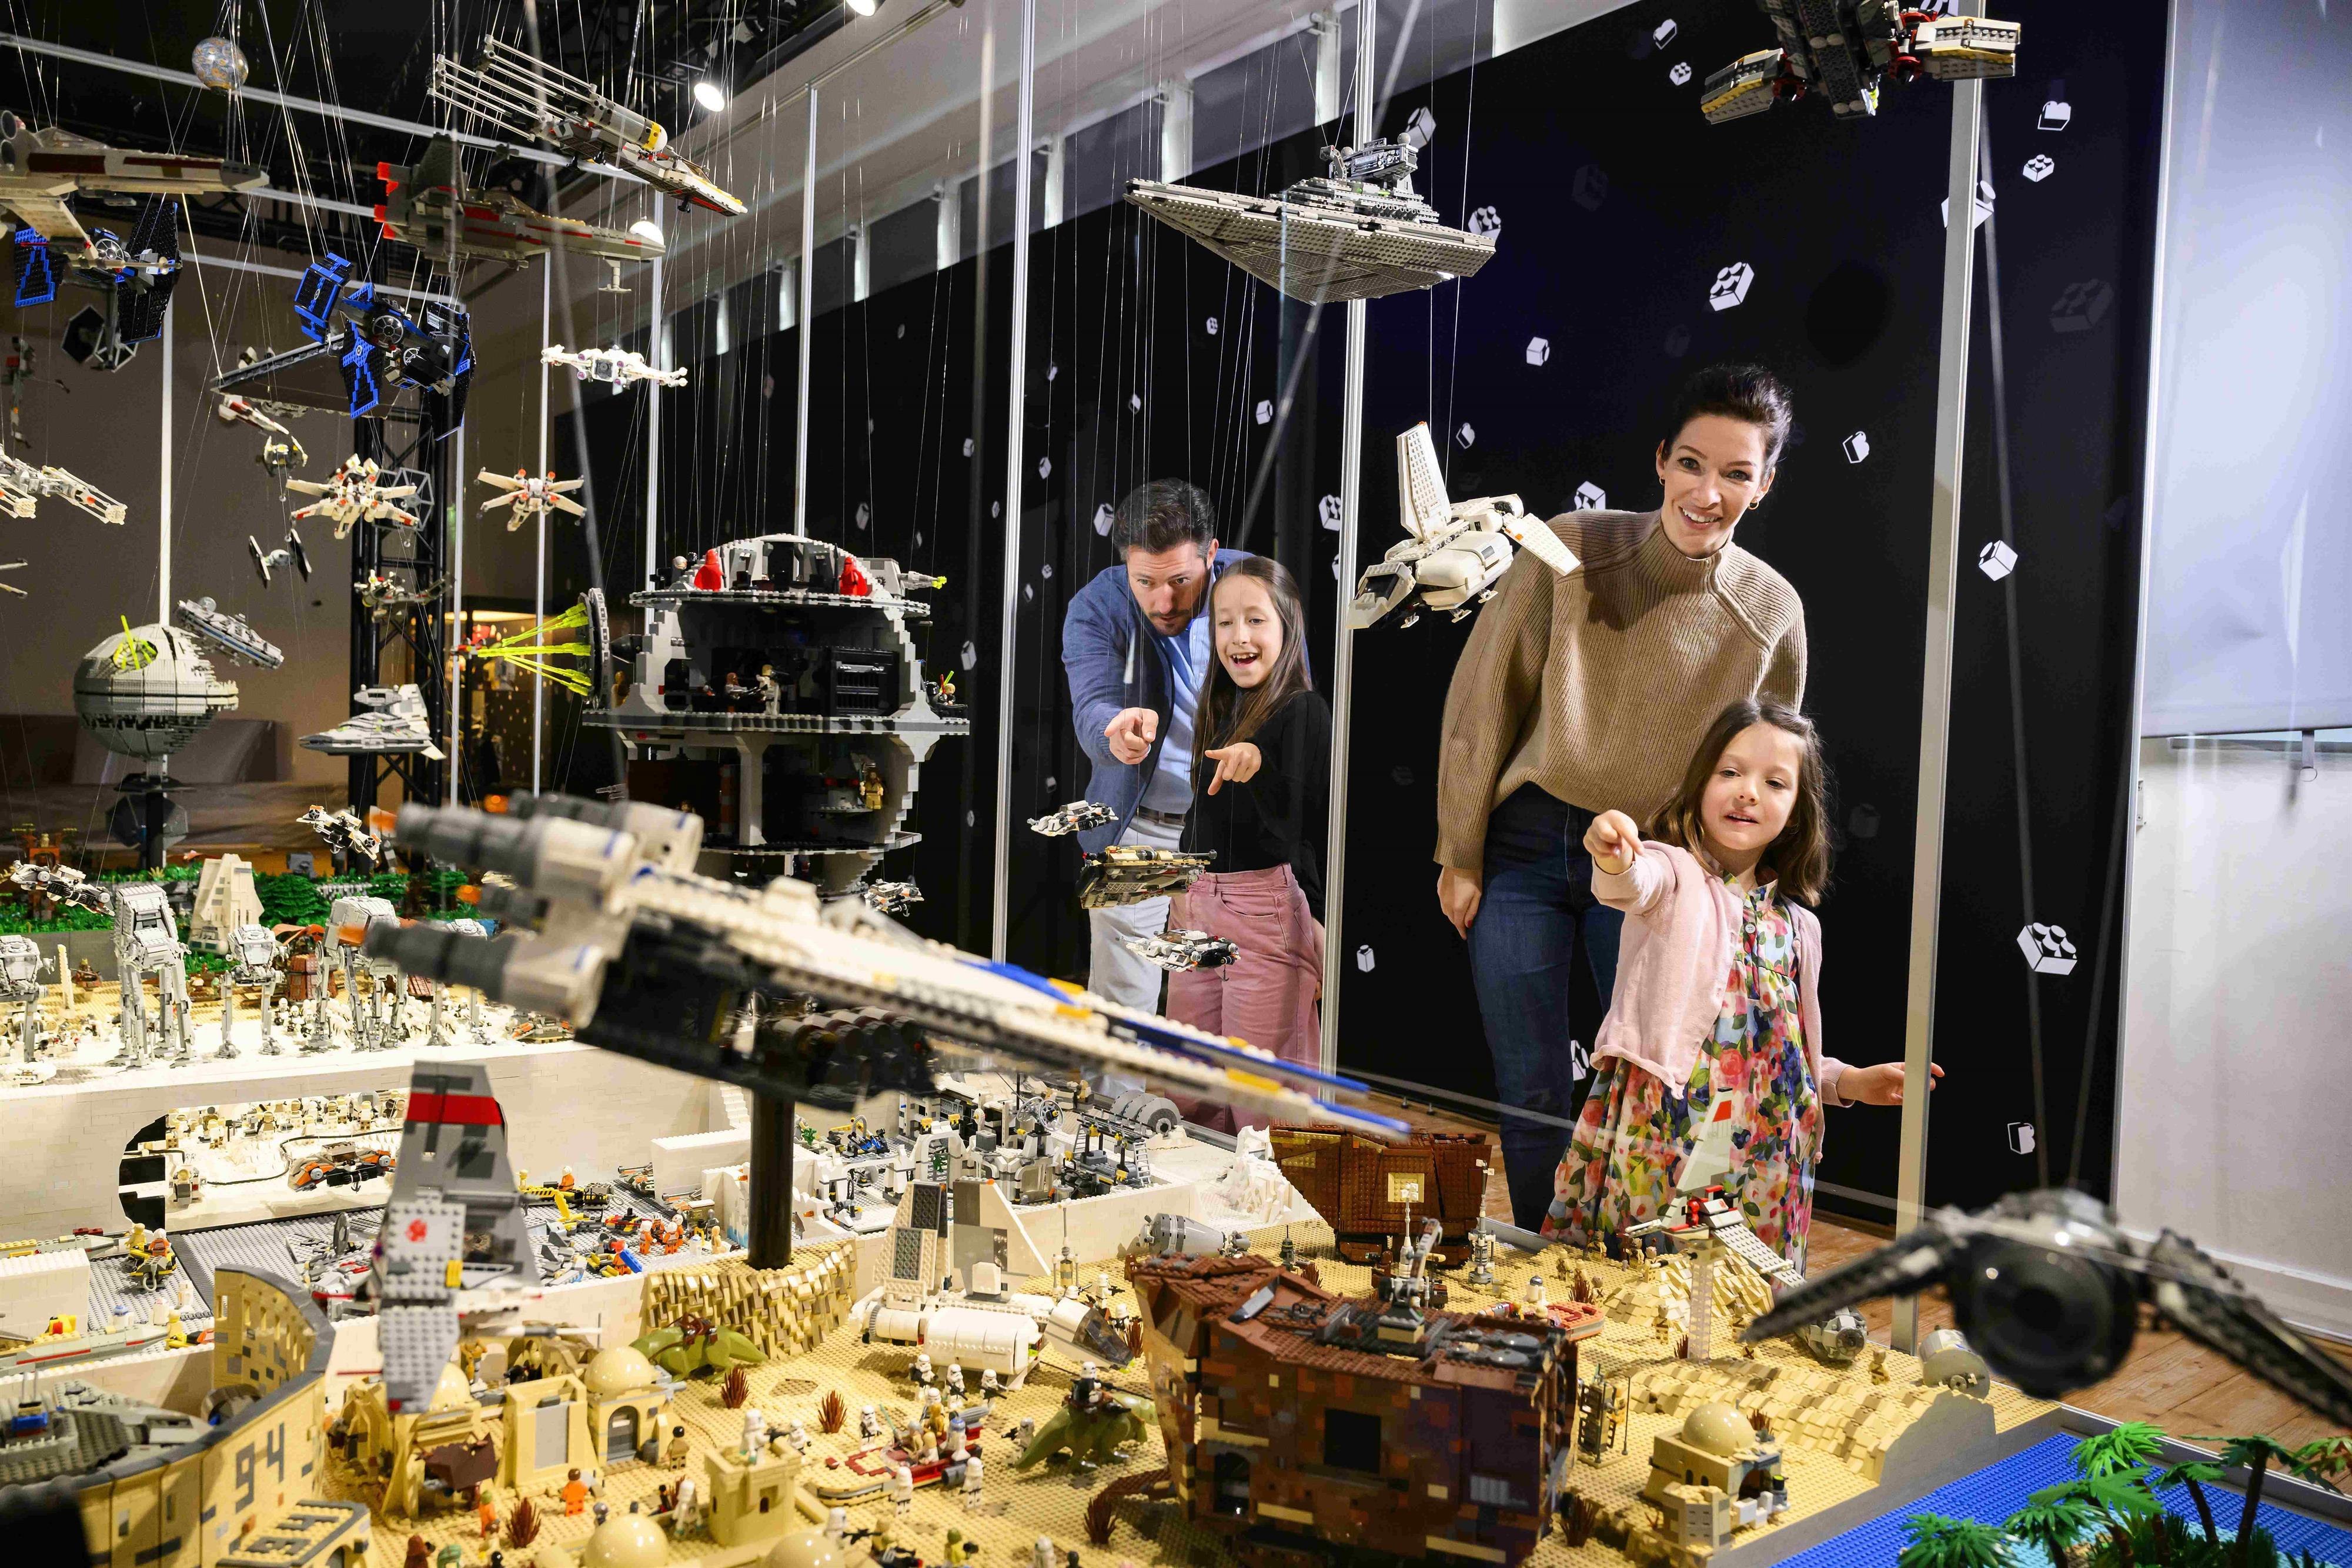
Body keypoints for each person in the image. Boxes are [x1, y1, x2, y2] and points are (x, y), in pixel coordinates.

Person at [1434, 363, 1810, 1231]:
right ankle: (1545, 1256)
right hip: (1526, 843)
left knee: (1650, 1080)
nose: (1707, 493)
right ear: (1661, 460)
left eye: (1736, 473)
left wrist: (1731, 895)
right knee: (1528, 1083)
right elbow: (1484, 699)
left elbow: (1769, 769)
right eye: (1692, 464)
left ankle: (1619, 1269)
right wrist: (1460, 851)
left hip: (1659, 869)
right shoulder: (1568, 548)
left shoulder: (1772, 611)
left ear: (1765, 483)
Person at [1540, 700, 1937, 1267]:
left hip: (1771, 1157)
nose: (1748, 792)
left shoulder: (1800, 928)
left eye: (1775, 782)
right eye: (1730, 772)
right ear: (1700, 785)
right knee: (1643, 1284)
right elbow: (1630, 882)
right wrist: (1611, 850)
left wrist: (1849, 1081)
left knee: (1747, 1295)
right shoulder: (1673, 873)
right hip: (1665, 1132)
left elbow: (1785, 1055)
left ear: (1796, 811)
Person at [1063, 480, 1257, 1008]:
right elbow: (1092, 704)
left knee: (1238, 1002)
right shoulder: (1097, 606)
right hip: (1139, 827)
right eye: (1144, 581)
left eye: (1180, 581)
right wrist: (1115, 731)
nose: (1163, 602)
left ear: (1211, 554)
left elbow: (1292, 694)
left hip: (1235, 830)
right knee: (1123, 1005)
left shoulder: (1257, 588)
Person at [1167, 557, 1330, 1108]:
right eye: (1225, 622)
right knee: (1189, 1091)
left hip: (1262, 912)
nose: (1239, 636)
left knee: (1260, 1105)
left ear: (1288, 625)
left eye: (1256, 620)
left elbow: (1305, 820)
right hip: (1195, 905)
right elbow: (1205, 813)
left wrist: (1256, 760)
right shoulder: (1220, 707)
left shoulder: (1304, 709)